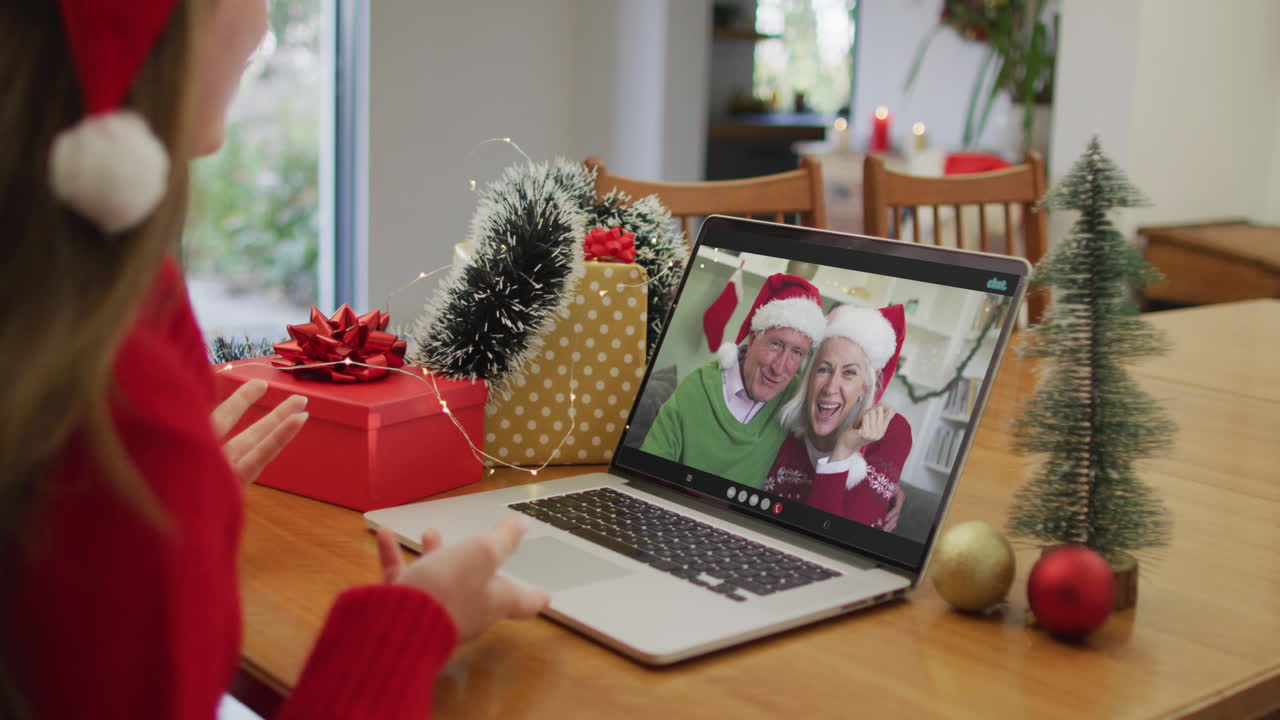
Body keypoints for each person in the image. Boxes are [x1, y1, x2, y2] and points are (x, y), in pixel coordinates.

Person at [0, 2, 546, 718]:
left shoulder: (85, 330)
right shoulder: (121, 415)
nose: (264, 23)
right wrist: (414, 622)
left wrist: (184, 515)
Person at [641, 273, 826, 488]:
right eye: (776, 344)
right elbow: (647, 476)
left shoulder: (794, 397)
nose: (779, 367)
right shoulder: (697, 387)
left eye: (797, 352)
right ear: (753, 337)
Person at [764, 304, 912, 530]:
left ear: (865, 385)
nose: (831, 387)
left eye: (849, 372)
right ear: (809, 375)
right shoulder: (783, 414)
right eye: (823, 369)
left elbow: (832, 536)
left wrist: (843, 451)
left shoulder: (892, 432)